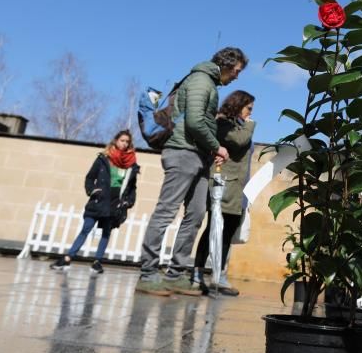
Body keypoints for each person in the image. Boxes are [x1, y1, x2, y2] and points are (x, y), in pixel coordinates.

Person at [136, 46, 248, 296]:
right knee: (166, 211)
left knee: (196, 214)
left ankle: (176, 274)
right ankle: (148, 273)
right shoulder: (201, 80)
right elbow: (195, 121)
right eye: (237, 71)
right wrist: (216, 145)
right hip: (183, 151)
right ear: (227, 64)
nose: (237, 77)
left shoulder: (209, 85)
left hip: (199, 156)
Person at [51, 130, 139, 274]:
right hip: (99, 199)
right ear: (116, 140)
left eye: (127, 142)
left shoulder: (131, 164)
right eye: (122, 140)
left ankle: (97, 262)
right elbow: (90, 177)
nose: (124, 143)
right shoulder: (103, 159)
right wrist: (92, 190)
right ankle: (67, 258)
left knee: (106, 232)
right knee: (86, 228)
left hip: (115, 202)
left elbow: (132, 187)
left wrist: (128, 201)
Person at [194, 90, 255, 296]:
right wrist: (250, 124)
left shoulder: (238, 125)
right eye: (248, 109)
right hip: (223, 184)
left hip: (237, 187)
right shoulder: (223, 123)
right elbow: (238, 141)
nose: (251, 114)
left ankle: (218, 276)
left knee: (227, 232)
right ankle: (197, 273)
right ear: (238, 105)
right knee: (213, 228)